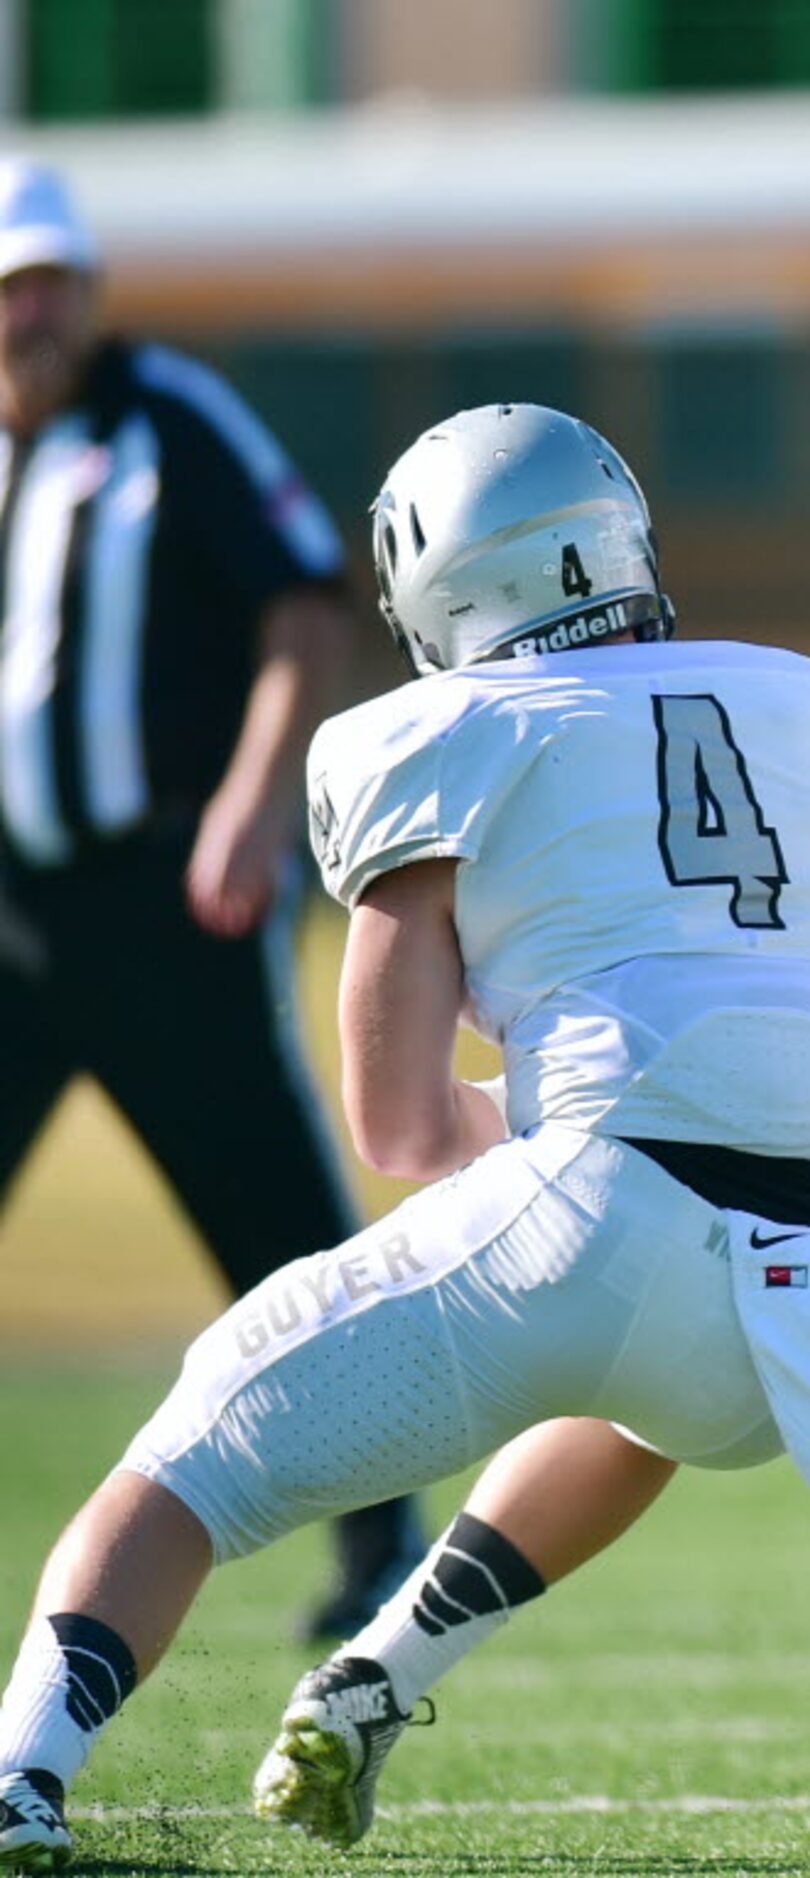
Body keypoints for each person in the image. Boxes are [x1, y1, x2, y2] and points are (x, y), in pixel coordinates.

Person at [0, 403, 810, 1872]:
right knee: (634, 1381)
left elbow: (399, 1127)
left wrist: (577, 1124)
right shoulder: (798, 692)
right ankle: (375, 1678)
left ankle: (21, 1773)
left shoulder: (437, 732)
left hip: (594, 1219)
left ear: (443, 588)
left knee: (190, 1451)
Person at [0, 157, 427, 1644]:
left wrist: (254, 804)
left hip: (163, 900)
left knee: (274, 1227)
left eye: (50, 278)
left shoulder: (170, 417)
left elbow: (306, 604)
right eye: (9, 283)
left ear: (89, 287)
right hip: (9, 911)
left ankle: (386, 1530)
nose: (31, 310)